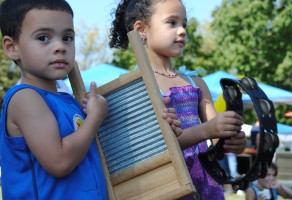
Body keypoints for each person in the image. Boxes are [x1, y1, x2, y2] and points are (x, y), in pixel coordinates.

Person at [0, 1, 183, 199]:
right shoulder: (25, 98)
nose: (60, 47)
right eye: (43, 37)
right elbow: (59, 162)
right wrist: (94, 119)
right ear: (12, 48)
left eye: (67, 37)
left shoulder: (68, 101)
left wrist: (157, 123)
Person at [109, 0, 246, 199]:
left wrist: (232, 140)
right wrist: (207, 130)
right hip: (166, 185)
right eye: (172, 23)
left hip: (205, 182)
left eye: (184, 24)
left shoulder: (196, 83)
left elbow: (217, 139)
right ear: (141, 29)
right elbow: (153, 147)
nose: (182, 31)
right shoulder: (136, 88)